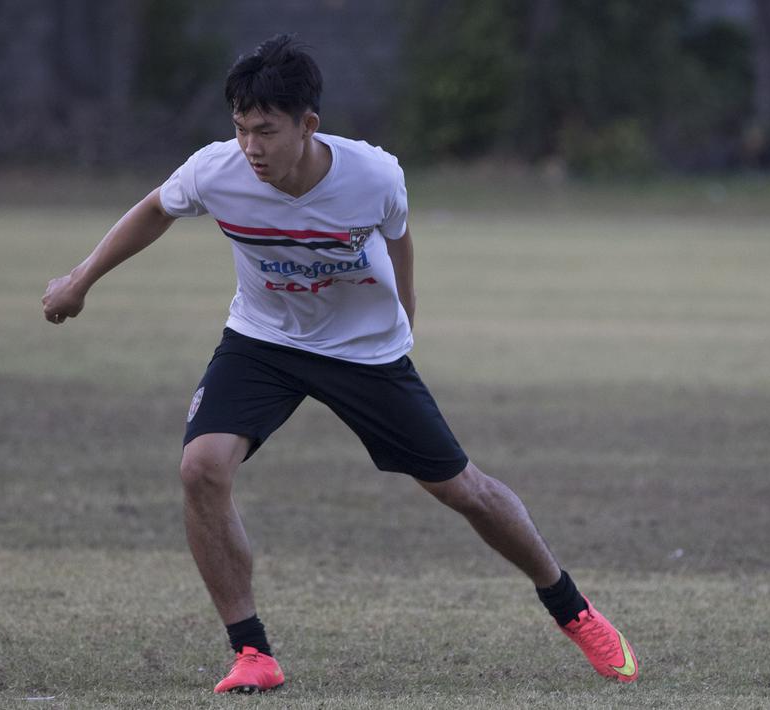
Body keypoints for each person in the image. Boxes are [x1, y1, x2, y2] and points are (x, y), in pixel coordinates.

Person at [42, 34, 640, 694]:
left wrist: (404, 317)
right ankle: (251, 653)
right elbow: (156, 207)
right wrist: (80, 279)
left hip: (363, 351)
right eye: (240, 128)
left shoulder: (373, 175)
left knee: (461, 490)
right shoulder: (216, 171)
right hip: (264, 341)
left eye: (266, 131)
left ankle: (572, 609)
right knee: (200, 469)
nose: (250, 147)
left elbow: (399, 239)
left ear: (308, 125)